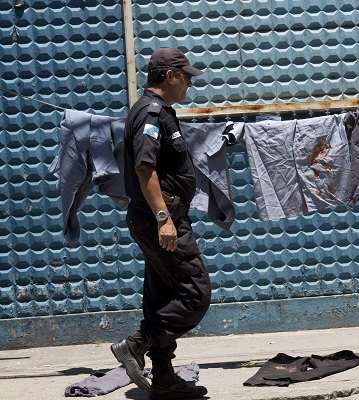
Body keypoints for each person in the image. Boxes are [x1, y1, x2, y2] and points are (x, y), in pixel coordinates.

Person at [110, 48, 211, 400]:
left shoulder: (157, 111)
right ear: (169, 75)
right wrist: (164, 218)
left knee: (162, 295)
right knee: (195, 293)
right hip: (160, 221)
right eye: (186, 76)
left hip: (159, 219)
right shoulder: (152, 113)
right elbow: (144, 168)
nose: (189, 83)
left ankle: (165, 377)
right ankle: (136, 344)